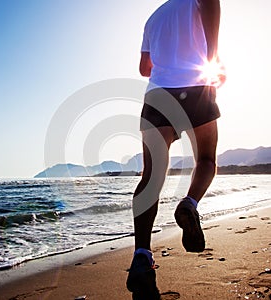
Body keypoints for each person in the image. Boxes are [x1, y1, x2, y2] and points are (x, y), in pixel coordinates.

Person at [126, 0, 226, 299]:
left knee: (151, 176)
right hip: (196, 85)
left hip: (157, 95)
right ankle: (189, 204)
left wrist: (165, 56)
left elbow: (145, 68)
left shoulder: (153, 19)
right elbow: (212, 5)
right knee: (206, 159)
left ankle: (142, 255)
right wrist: (213, 60)